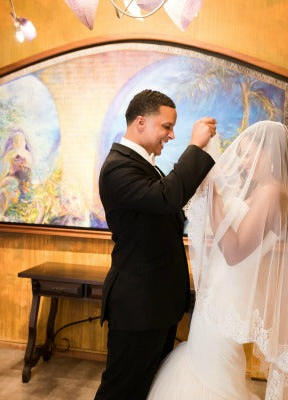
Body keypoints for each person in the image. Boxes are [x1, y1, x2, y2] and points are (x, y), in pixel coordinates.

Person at [147, 120, 288, 399]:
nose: (241, 162)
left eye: (248, 153)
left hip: (230, 299)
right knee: (209, 365)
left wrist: (213, 195)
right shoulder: (261, 191)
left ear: (269, 154)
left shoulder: (272, 193)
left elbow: (234, 250)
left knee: (214, 370)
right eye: (239, 154)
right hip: (220, 295)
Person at [94, 89, 217, 400]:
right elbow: (167, 197)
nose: (171, 135)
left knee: (147, 389)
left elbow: (170, 208)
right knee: (120, 391)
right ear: (140, 122)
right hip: (137, 305)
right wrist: (195, 146)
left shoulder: (147, 165)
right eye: (166, 126)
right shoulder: (117, 167)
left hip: (156, 304)